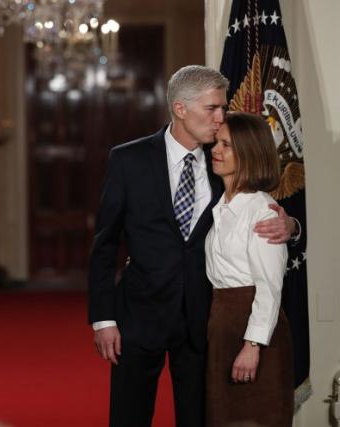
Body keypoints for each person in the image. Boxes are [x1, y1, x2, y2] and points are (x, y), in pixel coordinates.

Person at [87, 65, 297, 427]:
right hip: (139, 315)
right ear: (180, 109)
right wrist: (103, 320)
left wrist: (291, 226)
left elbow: (259, 209)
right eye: (212, 108)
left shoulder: (227, 162)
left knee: (201, 418)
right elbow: (104, 245)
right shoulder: (128, 159)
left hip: (204, 323)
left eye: (223, 108)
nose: (221, 118)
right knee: (128, 417)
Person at [205, 112, 293, 426]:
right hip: (223, 323)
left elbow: (269, 287)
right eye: (217, 141)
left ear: (248, 152)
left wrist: (252, 345)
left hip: (253, 327)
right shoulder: (222, 206)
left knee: (255, 419)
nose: (215, 149)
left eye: (226, 145)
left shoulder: (261, 209)